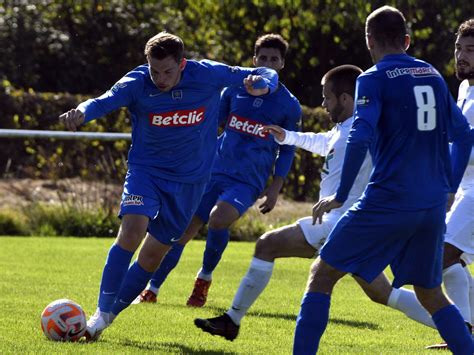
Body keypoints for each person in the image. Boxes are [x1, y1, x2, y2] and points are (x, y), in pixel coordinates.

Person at [58, 31, 280, 341]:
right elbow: (103, 100)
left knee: (151, 257)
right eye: (154, 70)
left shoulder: (207, 74)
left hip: (190, 183)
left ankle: (105, 319)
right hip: (146, 171)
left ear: (182, 64)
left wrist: (265, 82)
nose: (160, 79)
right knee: (132, 231)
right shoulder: (137, 83)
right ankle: (98, 314)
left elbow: (261, 73)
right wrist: (83, 112)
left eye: (168, 71)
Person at [193, 65, 437, 341]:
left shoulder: (366, 131)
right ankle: (457, 326)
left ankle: (233, 320)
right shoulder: (344, 128)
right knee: (382, 293)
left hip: (341, 222)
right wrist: (287, 136)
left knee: (267, 245)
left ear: (345, 99)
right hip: (353, 227)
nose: (322, 103)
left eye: (327, 97)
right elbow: (323, 143)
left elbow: (395, 161)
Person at [293, 6, 474, 354]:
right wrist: (448, 187)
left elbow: (359, 136)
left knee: (322, 275)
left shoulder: (372, 78)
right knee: (431, 294)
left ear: (369, 40)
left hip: (388, 199)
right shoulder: (433, 75)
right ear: (406, 40)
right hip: (432, 204)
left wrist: (341, 194)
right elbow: (464, 136)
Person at [135, 34, 301, 307]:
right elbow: (212, 126)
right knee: (181, 232)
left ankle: (204, 279)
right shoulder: (233, 91)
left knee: (219, 218)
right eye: (263, 58)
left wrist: (275, 187)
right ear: (253, 61)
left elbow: (288, 148)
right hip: (212, 171)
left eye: (274, 59)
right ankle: (151, 288)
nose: (268, 62)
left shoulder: (289, 105)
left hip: (248, 179)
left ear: (282, 63)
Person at [427, 18, 474, 350]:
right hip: (464, 188)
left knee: (438, 255)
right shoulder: (463, 88)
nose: (462, 56)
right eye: (459, 48)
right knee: (445, 258)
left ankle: (462, 333)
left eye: (471, 51)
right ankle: (466, 331)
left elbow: (466, 144)